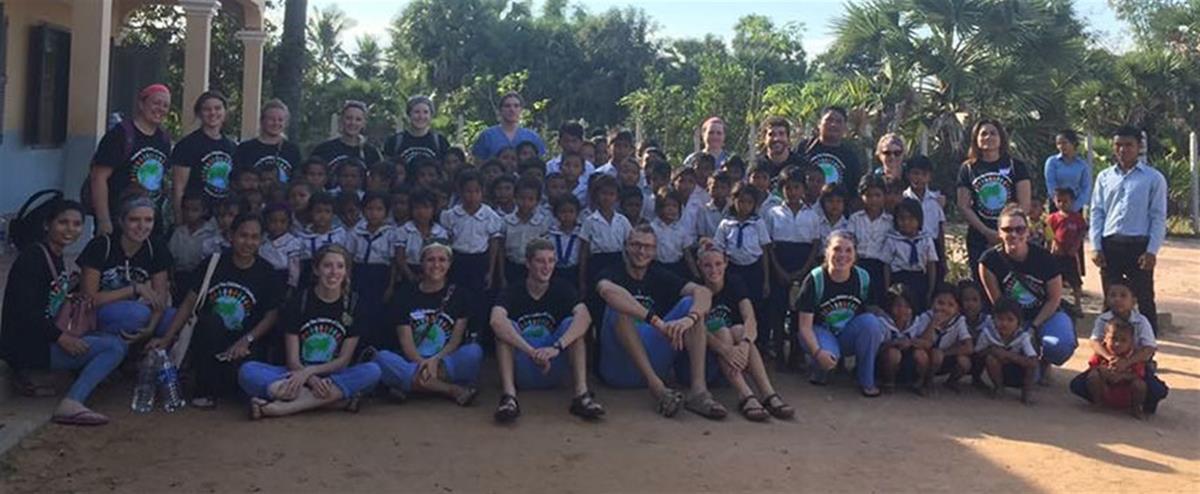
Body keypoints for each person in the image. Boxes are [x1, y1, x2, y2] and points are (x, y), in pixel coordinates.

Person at [0, 201, 127, 426]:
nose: (70, 229)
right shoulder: (33, 258)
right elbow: (25, 313)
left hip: (42, 338)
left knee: (109, 338)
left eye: (77, 224)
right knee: (114, 347)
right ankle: (72, 402)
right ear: (48, 225)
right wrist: (61, 338)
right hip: (26, 344)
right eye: (63, 223)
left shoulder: (55, 256)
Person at [149, 214, 283, 408]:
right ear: (231, 236)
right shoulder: (213, 264)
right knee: (210, 322)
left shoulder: (267, 272)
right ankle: (204, 389)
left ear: (261, 240)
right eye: (243, 236)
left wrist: (247, 340)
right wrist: (168, 338)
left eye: (255, 237)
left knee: (245, 378)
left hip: (245, 343)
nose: (248, 242)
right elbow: (189, 304)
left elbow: (271, 316)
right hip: (210, 341)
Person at [595, 225, 727, 419]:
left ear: (655, 250)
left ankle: (699, 392)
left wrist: (689, 320)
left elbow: (704, 292)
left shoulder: (659, 274)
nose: (642, 251)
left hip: (655, 357)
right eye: (636, 245)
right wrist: (655, 321)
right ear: (626, 246)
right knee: (618, 307)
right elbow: (607, 291)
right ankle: (657, 389)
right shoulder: (611, 271)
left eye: (648, 247)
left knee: (692, 303)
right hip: (618, 366)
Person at [240, 245, 382, 419]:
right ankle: (335, 401)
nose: (333, 272)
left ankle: (283, 408)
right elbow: (293, 360)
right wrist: (309, 378)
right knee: (248, 371)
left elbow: (344, 360)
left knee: (373, 371)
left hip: (334, 374)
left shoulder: (354, 305)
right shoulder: (298, 302)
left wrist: (310, 372)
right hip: (295, 373)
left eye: (340, 266)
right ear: (316, 269)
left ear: (346, 271)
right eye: (327, 265)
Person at [489, 239, 606, 422]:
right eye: (540, 261)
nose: (546, 267)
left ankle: (581, 395)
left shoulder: (563, 288)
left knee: (572, 324)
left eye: (551, 261)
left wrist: (557, 348)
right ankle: (509, 398)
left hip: (553, 364)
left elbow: (585, 317)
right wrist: (531, 351)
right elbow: (496, 320)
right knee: (505, 328)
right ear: (528, 263)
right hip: (524, 364)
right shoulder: (513, 290)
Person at [978, 204, 1077, 384]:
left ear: (1028, 231)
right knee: (1021, 379)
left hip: (1046, 314)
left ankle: (1046, 360)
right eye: (1007, 229)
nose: (1014, 234)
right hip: (1012, 318)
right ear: (999, 232)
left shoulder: (1045, 259)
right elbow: (998, 301)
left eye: (1019, 229)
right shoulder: (989, 261)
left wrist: (1033, 326)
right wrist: (1016, 328)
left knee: (1058, 346)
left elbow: (1054, 298)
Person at [695, 242, 794, 421]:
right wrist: (725, 349)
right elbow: (697, 329)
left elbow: (750, 317)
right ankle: (745, 395)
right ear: (699, 266)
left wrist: (745, 344)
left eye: (718, 264)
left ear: (726, 262)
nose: (713, 270)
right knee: (723, 331)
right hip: (706, 359)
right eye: (707, 265)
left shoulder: (734, 282)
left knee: (740, 329)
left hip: (733, 360)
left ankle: (767, 393)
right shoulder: (695, 288)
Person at [374, 243, 482, 405]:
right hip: (412, 360)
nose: (436, 265)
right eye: (430, 260)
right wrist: (421, 362)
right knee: (382, 358)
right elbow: (406, 342)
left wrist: (435, 361)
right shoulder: (404, 295)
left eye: (442, 260)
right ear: (422, 263)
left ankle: (412, 385)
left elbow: (455, 340)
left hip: (444, 360)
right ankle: (450, 390)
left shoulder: (461, 295)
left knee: (474, 352)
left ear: (449, 264)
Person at [1090, 125, 1168, 335]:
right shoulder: (1105, 177)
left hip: (1139, 246)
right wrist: (1096, 246)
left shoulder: (1153, 178)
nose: (1123, 149)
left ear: (1139, 146)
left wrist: (1152, 250)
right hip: (1111, 245)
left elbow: (1158, 216)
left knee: (1144, 298)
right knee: (1111, 298)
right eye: (1118, 145)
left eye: (1128, 145)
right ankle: (1108, 346)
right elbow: (1097, 212)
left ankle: (1147, 349)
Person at [793, 230, 887, 397]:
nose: (842, 255)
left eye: (848, 250)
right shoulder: (815, 279)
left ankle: (866, 379)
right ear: (827, 251)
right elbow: (804, 327)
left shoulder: (863, 278)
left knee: (872, 324)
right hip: (820, 332)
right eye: (837, 249)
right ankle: (820, 367)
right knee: (828, 360)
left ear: (856, 254)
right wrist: (817, 352)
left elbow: (871, 315)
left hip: (847, 333)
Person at [78, 196, 175, 343]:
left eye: (148, 220)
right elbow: (89, 300)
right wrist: (133, 289)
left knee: (174, 318)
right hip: (100, 311)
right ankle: (109, 346)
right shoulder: (101, 246)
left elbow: (159, 299)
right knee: (137, 314)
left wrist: (151, 328)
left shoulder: (156, 248)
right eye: (134, 220)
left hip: (136, 309)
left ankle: (144, 353)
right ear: (121, 222)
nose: (142, 226)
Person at [1068, 283, 1168, 414]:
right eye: (1112, 295)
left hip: (1135, 364)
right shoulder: (1103, 319)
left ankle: (1139, 404)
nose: (1117, 299)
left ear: (1133, 301)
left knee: (1157, 390)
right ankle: (1099, 401)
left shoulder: (1141, 321)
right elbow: (1094, 341)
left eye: (1123, 296)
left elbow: (1149, 348)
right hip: (1107, 363)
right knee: (1078, 385)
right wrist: (1110, 358)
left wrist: (1126, 363)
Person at [89, 84, 173, 236]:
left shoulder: (164, 139)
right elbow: (98, 177)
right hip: (119, 218)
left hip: (150, 219)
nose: (160, 109)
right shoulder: (120, 135)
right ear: (141, 104)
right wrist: (104, 220)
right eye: (156, 103)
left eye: (165, 105)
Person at [956, 119, 1032, 274]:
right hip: (979, 237)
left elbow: (1024, 204)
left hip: (1012, 236)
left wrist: (1006, 232)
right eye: (983, 134)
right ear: (976, 139)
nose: (988, 137)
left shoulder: (1016, 166)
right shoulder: (968, 168)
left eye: (993, 133)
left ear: (1001, 138)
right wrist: (986, 232)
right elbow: (963, 205)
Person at [170, 91, 236, 218]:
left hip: (223, 217)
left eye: (218, 108)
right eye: (207, 109)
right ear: (199, 113)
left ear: (225, 112)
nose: (213, 113)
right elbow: (178, 188)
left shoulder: (232, 147)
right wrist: (179, 218)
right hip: (196, 218)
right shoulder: (187, 145)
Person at [974, 298, 1037, 404]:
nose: (1004, 323)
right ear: (993, 319)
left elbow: (1033, 361)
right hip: (997, 369)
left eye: (1010, 320)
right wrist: (993, 351)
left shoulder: (1023, 336)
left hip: (1018, 371)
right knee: (991, 359)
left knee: (1031, 366)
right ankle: (998, 387)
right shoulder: (988, 333)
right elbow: (977, 353)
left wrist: (1009, 356)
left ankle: (1026, 393)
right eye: (1000, 319)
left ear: (1019, 322)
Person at [1082, 319, 1148, 419]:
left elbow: (1139, 375)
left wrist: (1122, 376)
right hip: (1105, 388)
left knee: (1140, 385)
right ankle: (1097, 402)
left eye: (1123, 340)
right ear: (1105, 338)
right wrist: (1103, 371)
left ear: (1131, 343)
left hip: (1126, 392)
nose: (1117, 344)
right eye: (1113, 339)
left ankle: (1136, 409)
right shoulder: (1102, 352)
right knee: (1093, 376)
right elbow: (1092, 366)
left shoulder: (1134, 355)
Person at [310, 100, 383, 186]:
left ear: (364, 123)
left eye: (358, 119)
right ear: (341, 120)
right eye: (349, 118)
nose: (353, 123)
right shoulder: (323, 150)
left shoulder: (371, 153)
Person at [234, 99, 303, 185]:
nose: (276, 123)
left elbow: (297, 181)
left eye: (280, 120)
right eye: (271, 119)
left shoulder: (292, 150)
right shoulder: (245, 149)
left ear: (286, 123)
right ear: (262, 121)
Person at [383, 95, 450, 173]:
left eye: (425, 112)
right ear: (409, 114)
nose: (421, 116)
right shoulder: (394, 142)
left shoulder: (440, 142)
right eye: (416, 112)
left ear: (431, 116)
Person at [799, 107, 861, 190]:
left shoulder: (850, 156)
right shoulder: (805, 147)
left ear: (845, 127)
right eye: (829, 120)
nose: (833, 124)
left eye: (839, 122)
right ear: (819, 124)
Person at [471, 92, 546, 161]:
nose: (512, 109)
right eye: (507, 106)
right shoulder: (487, 136)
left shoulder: (532, 137)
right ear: (500, 110)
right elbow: (479, 164)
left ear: (521, 110)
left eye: (516, 106)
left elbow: (539, 164)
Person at [1047, 188, 1087, 310]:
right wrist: (1052, 245)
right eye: (1059, 201)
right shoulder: (1052, 218)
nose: (1062, 204)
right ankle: (1053, 303)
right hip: (1056, 254)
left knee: (1075, 281)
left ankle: (1078, 304)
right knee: (1053, 279)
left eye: (1065, 201)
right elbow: (1049, 233)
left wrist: (1076, 246)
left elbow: (1082, 231)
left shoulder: (1077, 218)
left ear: (1072, 201)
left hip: (1070, 253)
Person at [1043, 129, 1092, 213]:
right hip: (1056, 206)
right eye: (1058, 144)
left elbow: (1086, 188)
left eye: (1064, 143)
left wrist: (1075, 206)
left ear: (1073, 143)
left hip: (1075, 206)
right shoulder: (1052, 162)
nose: (1061, 146)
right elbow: (1051, 184)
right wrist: (1059, 203)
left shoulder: (1082, 165)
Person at [756, 117, 805, 183]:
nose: (776, 139)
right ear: (764, 139)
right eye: (771, 134)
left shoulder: (801, 165)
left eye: (781, 134)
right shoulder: (757, 167)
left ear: (788, 138)